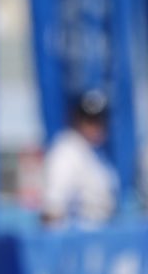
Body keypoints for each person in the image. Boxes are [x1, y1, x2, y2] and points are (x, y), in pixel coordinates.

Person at [41, 88, 119, 225]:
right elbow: (52, 210)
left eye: (100, 121)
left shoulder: (94, 153)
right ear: (77, 119)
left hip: (99, 237)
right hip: (76, 241)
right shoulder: (65, 152)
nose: (95, 127)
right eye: (89, 120)